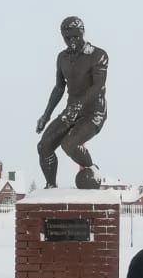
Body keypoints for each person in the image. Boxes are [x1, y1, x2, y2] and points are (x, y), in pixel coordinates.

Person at [35, 16, 110, 190]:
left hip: (94, 112)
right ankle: (51, 187)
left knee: (69, 144)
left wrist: (78, 106)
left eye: (75, 37)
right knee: (44, 145)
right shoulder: (62, 58)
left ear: (82, 33)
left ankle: (91, 169)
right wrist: (46, 115)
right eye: (67, 38)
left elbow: (98, 86)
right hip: (71, 111)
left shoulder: (98, 55)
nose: (71, 41)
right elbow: (59, 88)